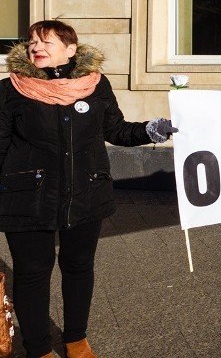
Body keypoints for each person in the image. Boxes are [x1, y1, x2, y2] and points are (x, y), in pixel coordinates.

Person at [0, 20, 178, 358]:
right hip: (27, 197)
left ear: (70, 49)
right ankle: (38, 348)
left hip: (87, 191)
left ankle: (76, 340)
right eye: (32, 41)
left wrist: (153, 130)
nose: (36, 46)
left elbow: (116, 129)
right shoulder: (10, 90)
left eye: (46, 41)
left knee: (79, 266)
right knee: (33, 272)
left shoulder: (95, 85)